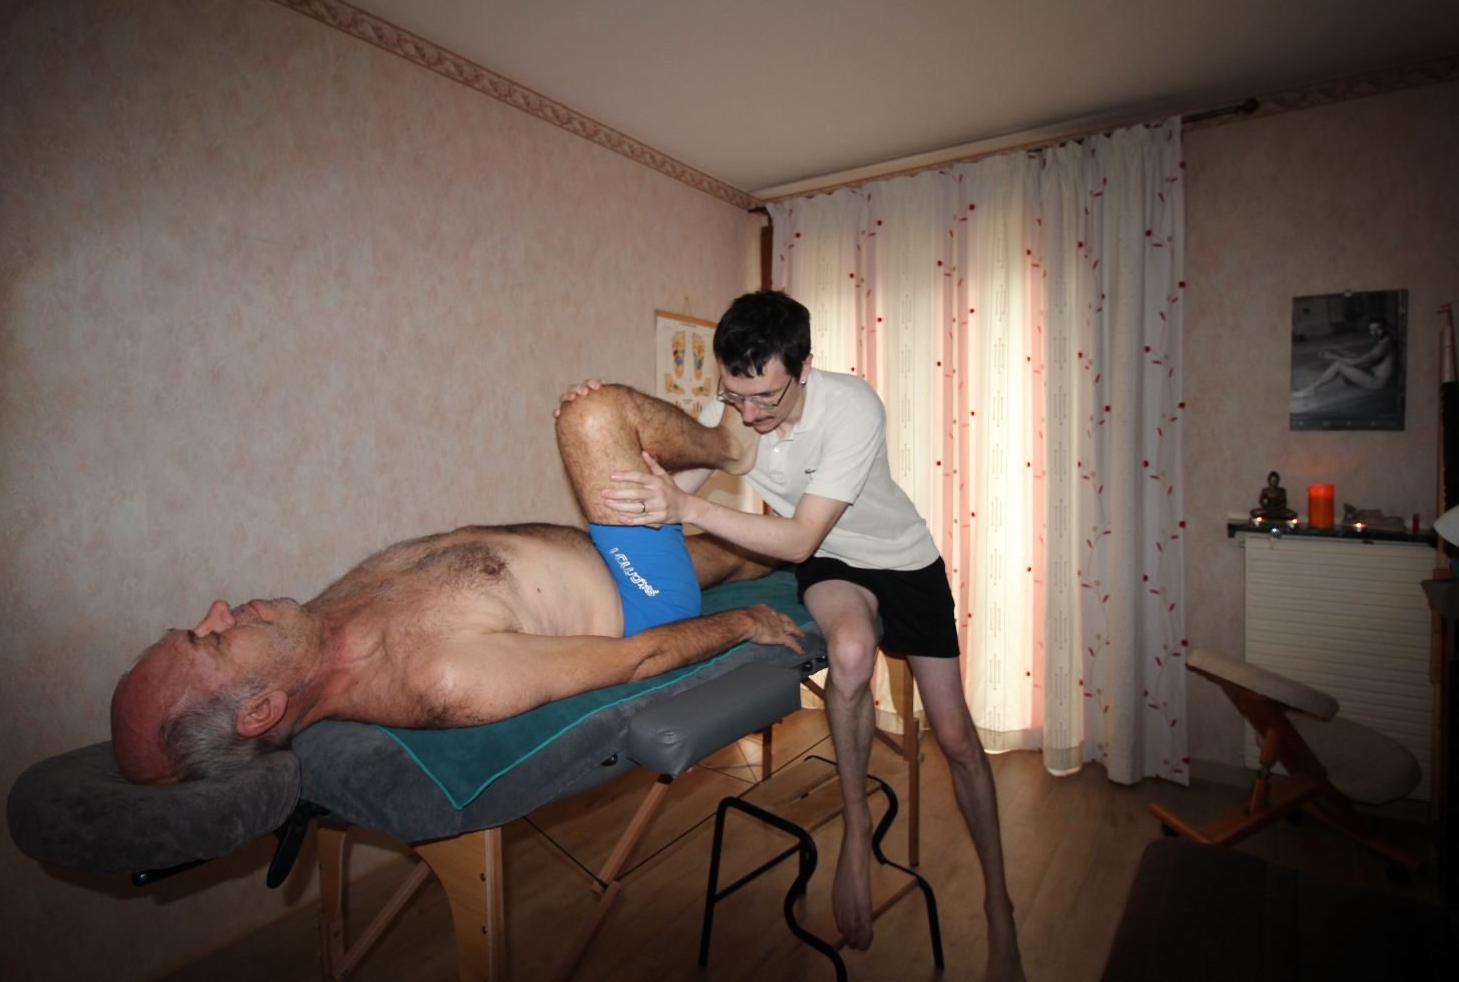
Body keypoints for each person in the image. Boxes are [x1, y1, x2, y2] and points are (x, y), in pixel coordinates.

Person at [574, 290, 1025, 981]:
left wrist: (688, 505)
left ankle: (999, 907)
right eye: (734, 397)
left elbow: (796, 535)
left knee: (959, 739)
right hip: (832, 563)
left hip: (901, 559)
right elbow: (675, 484)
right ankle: (855, 830)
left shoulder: (853, 407)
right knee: (850, 652)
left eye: (765, 398)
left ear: (804, 368)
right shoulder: (735, 410)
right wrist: (598, 421)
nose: (750, 415)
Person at [109, 384, 801, 786]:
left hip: (604, 554)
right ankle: (733, 447)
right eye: (212, 640)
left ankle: (820, 548)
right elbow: (636, 660)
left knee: (752, 555)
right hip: (641, 598)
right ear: (260, 711)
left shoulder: (319, 623)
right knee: (593, 417)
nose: (220, 610)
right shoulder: (440, 679)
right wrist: (744, 624)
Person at [1292, 317, 1398, 398]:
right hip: (1375, 375)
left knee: (1339, 365)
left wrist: (1333, 356)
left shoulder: (1383, 347)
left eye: (1377, 329)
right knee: (1344, 360)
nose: (1374, 333)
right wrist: (1337, 351)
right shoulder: (1385, 342)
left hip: (1376, 383)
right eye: (1371, 330)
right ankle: (1313, 388)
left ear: (1386, 327)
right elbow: (1362, 358)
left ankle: (1311, 389)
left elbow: (1355, 362)